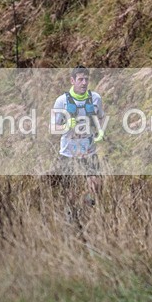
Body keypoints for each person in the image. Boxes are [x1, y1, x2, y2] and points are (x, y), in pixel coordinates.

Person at [52, 66, 105, 205]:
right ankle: (72, 218)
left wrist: (100, 131)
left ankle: (89, 208)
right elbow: (53, 128)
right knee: (70, 192)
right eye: (80, 79)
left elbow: (100, 117)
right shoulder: (61, 101)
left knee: (96, 187)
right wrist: (67, 125)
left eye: (86, 79)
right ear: (72, 81)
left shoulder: (95, 98)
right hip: (68, 152)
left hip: (88, 150)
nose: (84, 83)